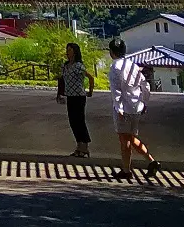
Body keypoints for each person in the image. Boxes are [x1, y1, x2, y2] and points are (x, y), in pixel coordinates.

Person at [108, 37, 160, 180]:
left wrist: (118, 108)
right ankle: (151, 161)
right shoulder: (132, 65)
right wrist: (144, 102)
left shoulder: (114, 67)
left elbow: (116, 91)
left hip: (124, 108)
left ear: (111, 52)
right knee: (130, 137)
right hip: (136, 107)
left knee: (124, 141)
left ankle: (126, 170)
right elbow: (145, 85)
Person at [56, 42, 96, 157]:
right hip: (70, 96)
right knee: (73, 121)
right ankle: (79, 146)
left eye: (70, 50)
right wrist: (59, 94)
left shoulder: (79, 66)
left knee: (80, 121)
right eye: (67, 49)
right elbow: (62, 80)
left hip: (79, 96)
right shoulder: (65, 65)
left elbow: (90, 77)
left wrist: (90, 91)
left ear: (75, 52)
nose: (67, 52)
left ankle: (85, 146)